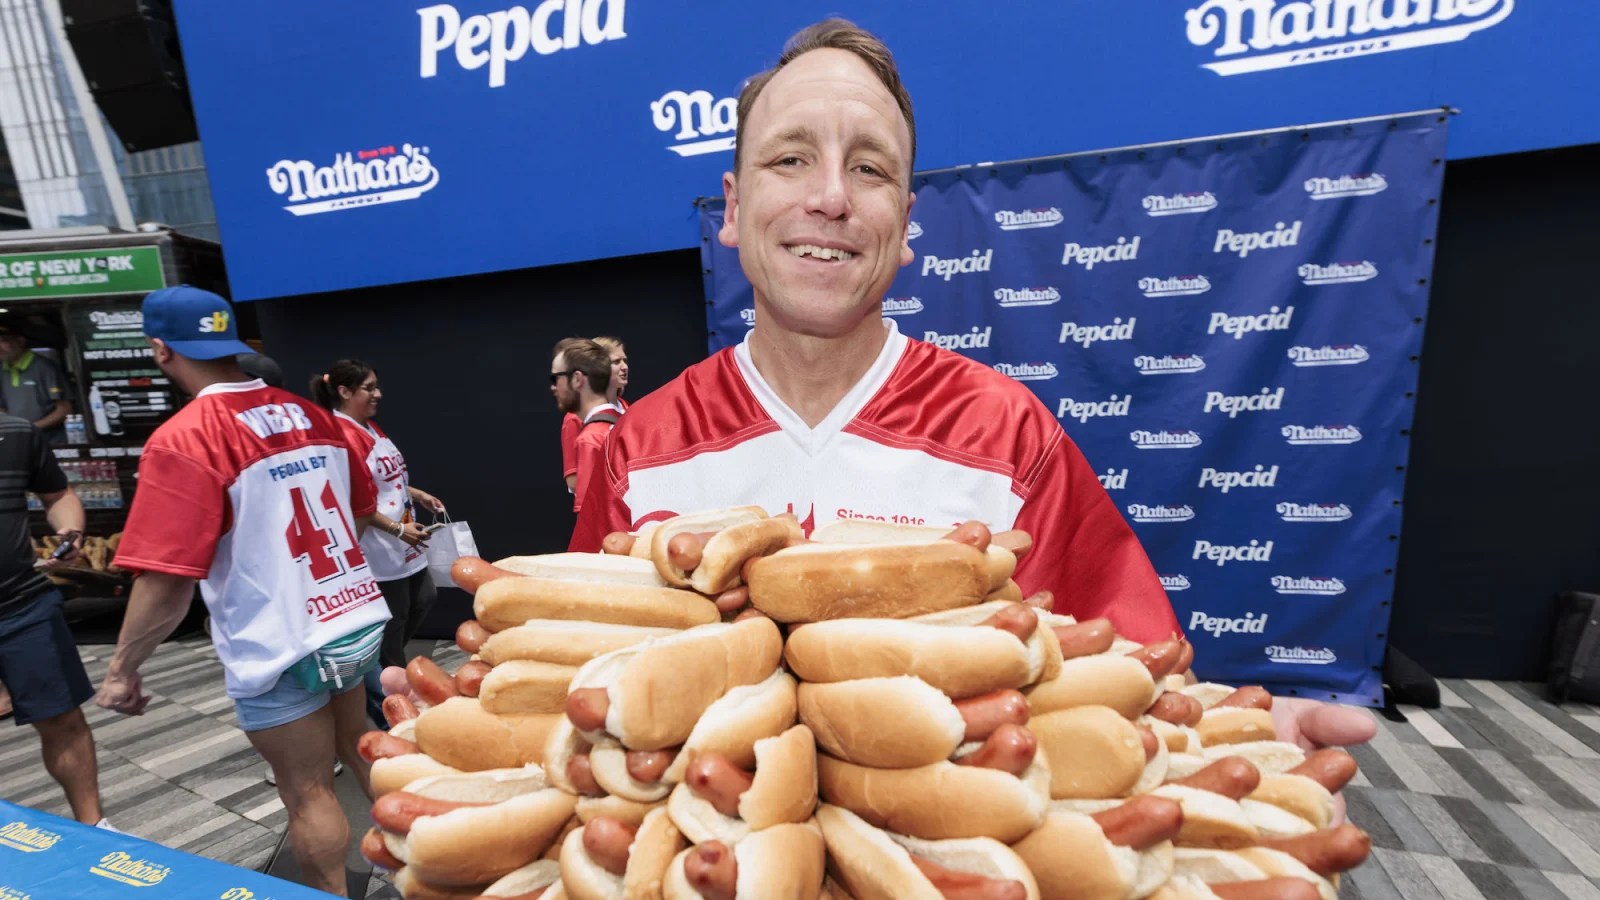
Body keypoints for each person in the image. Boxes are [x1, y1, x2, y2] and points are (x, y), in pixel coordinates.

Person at [571, 20, 1374, 754]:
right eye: (790, 159)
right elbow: (572, 681)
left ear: (905, 223)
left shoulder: (1008, 434)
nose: (832, 198)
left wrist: (1234, 736)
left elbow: (1128, 670)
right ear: (734, 206)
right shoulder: (640, 447)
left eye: (869, 168)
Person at [94, 285, 388, 897]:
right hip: (350, 616)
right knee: (360, 748)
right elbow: (361, 511)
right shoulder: (315, 416)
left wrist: (122, 669)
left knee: (307, 791)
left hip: (279, 639)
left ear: (160, 349)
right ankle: (419, 871)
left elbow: (166, 582)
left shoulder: (186, 437)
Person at [311, 359, 445, 728]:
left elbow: (385, 479)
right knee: (394, 621)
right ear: (344, 391)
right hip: (378, 548)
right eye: (369, 388)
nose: (378, 394)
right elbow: (356, 501)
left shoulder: (368, 426)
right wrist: (398, 530)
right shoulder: (343, 435)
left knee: (424, 598)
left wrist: (416, 493)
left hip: (402, 541)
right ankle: (394, 709)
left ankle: (387, 674)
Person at [0, 415, 109, 827]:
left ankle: (94, 828)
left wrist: (71, 531)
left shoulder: (17, 432)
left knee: (62, 718)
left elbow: (57, 494)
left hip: (22, 604)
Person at [551, 338, 620, 515]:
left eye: (556, 378)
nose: (553, 387)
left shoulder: (590, 439)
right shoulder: (626, 423)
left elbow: (590, 519)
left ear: (577, 379)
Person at [560, 336, 629, 494]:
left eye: (625, 360)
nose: (624, 367)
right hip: (602, 501)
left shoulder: (628, 409)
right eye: (616, 362)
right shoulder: (575, 417)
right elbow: (574, 481)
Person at [0, 325, 71, 445]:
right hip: (19, 441)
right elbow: (2, 408)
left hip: (51, 442)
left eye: (4, 341)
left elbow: (65, 410)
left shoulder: (45, 367)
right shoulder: (2, 369)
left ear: (20, 341)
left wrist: (31, 428)